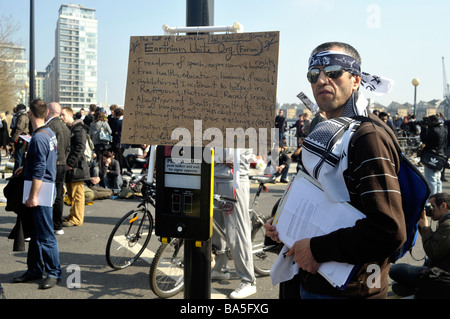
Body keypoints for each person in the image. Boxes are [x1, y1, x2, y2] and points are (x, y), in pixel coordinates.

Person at [265, 42, 405, 299]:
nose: (321, 79)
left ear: (355, 80)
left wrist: (317, 250)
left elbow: (388, 230)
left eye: (332, 71)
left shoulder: (367, 136)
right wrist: (279, 221)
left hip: (350, 289)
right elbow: (311, 190)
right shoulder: (327, 132)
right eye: (313, 74)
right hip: (310, 280)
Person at [13, 99, 61, 289]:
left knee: (45, 235)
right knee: (36, 233)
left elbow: (41, 169)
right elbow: (44, 161)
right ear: (46, 112)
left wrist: (33, 196)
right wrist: (26, 167)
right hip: (46, 187)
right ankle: (34, 269)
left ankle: (54, 272)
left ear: (30, 114)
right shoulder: (48, 133)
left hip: (41, 190)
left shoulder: (40, 137)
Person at [211, 148, 256, 299]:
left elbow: (229, 154)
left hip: (233, 178)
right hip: (213, 175)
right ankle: (220, 268)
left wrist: (213, 155)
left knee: (236, 231)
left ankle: (248, 280)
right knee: (215, 228)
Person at [389, 192, 450, 296]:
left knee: (394, 270)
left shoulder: (447, 225)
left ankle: (420, 286)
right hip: (443, 264)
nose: (429, 210)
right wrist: (422, 225)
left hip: (444, 275)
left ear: (443, 205)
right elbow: (436, 244)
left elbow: (433, 253)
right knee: (426, 261)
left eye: (432, 206)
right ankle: (418, 284)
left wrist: (425, 227)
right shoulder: (445, 220)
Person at [60, 107, 89, 227]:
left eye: (63, 115)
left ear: (70, 114)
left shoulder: (79, 128)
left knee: (77, 194)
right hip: (73, 166)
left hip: (77, 166)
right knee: (72, 193)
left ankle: (77, 218)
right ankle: (73, 215)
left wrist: (70, 163)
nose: (61, 117)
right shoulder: (72, 128)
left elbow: (80, 148)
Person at [46, 102, 71, 235]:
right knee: (59, 194)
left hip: (51, 164)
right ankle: (57, 225)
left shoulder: (49, 126)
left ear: (49, 111)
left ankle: (48, 224)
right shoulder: (65, 127)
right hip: (62, 163)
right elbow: (68, 148)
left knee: (47, 194)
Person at [420, 114, 448, 195]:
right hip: (441, 156)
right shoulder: (444, 129)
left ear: (433, 121)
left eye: (428, 121)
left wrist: (423, 128)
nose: (427, 123)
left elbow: (424, 139)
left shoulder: (433, 130)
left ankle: (433, 199)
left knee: (431, 180)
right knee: (438, 179)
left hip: (431, 157)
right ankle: (438, 197)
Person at [10, 103, 29, 172]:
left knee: (18, 157)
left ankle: (16, 174)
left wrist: (13, 140)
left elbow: (19, 129)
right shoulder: (23, 116)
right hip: (22, 138)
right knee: (20, 156)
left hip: (20, 138)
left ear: (19, 109)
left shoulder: (22, 117)